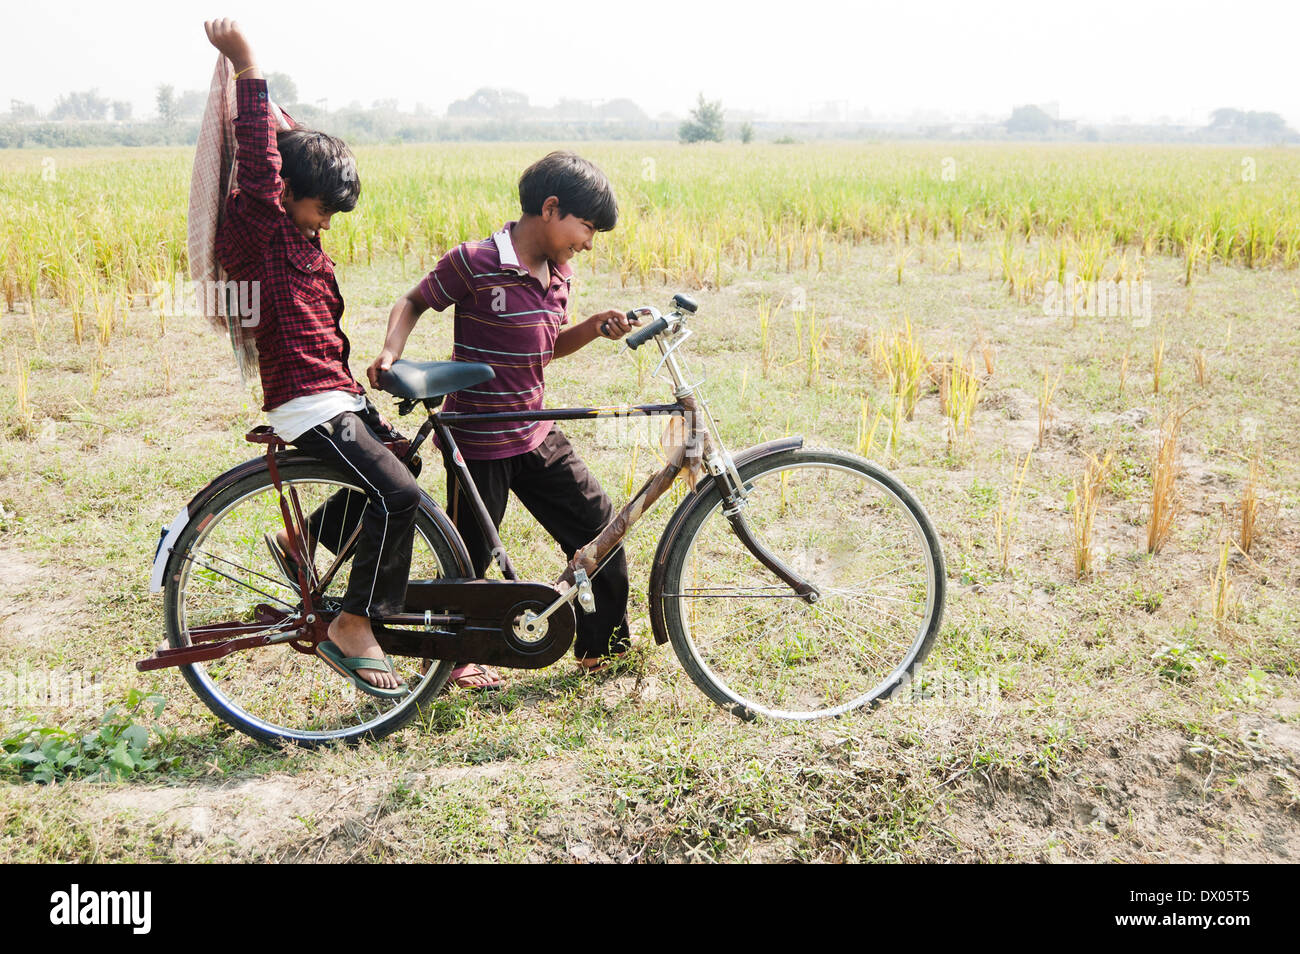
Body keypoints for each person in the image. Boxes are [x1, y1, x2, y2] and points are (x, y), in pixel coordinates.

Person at [205, 18, 414, 697]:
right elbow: (263, 161)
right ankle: (354, 623)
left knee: (403, 460)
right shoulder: (260, 225)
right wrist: (246, 63)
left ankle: (307, 546)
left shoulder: (301, 241)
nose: (325, 224)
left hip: (333, 393)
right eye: (321, 209)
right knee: (398, 494)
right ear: (286, 194)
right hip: (306, 401)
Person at [369, 151, 636, 675]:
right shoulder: (475, 261)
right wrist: (390, 351)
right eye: (586, 227)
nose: (587, 242)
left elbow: (548, 345)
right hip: (478, 438)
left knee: (600, 526)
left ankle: (598, 651)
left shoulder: (560, 272)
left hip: (536, 431)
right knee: (469, 559)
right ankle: (455, 661)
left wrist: (593, 327)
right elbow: (414, 300)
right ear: (551, 207)